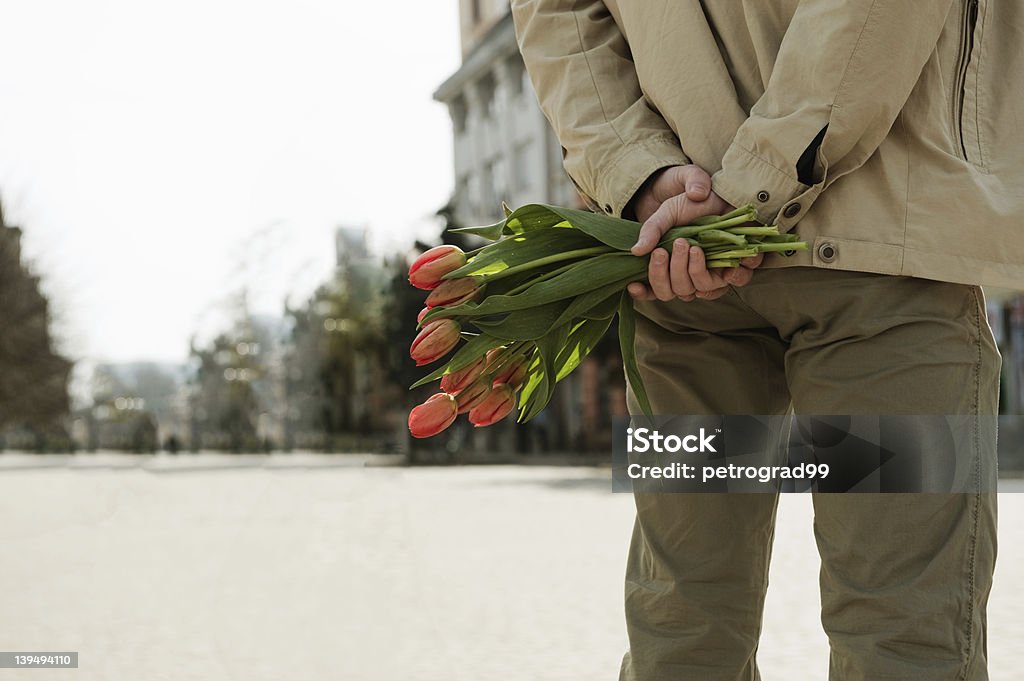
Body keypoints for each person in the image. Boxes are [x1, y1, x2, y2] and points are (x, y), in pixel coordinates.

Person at [511, 1, 1023, 679]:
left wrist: (642, 177)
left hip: (684, 259)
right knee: (901, 634)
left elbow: (557, 14)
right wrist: (747, 184)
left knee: (684, 623)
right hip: (879, 242)